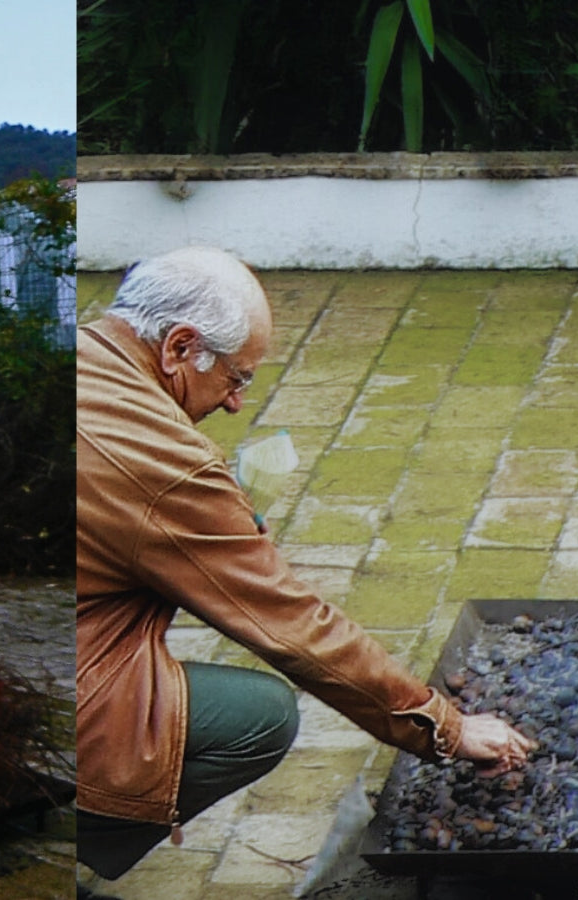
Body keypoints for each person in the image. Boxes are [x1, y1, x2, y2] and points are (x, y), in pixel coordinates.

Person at [76, 246, 535, 886]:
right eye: (236, 379)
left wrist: (214, 522)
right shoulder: (170, 465)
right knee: (260, 716)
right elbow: (293, 625)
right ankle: (71, 831)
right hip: (74, 687)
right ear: (180, 347)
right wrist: (444, 725)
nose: (236, 404)